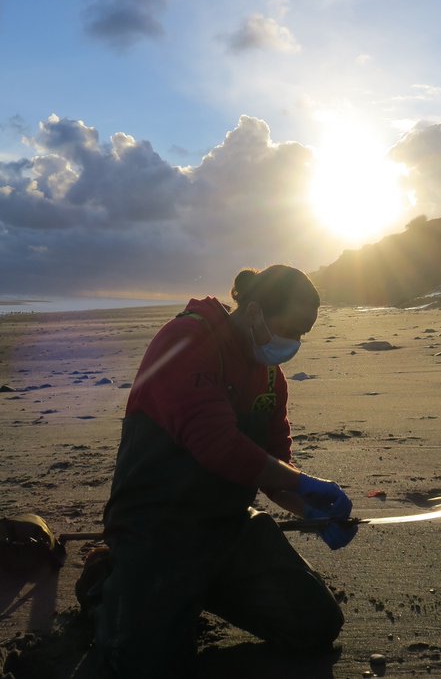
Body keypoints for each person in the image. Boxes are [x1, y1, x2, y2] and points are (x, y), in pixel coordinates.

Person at [95, 264, 356, 678]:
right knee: (148, 667)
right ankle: (112, 583)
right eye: (291, 328)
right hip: (154, 529)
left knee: (316, 625)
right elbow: (219, 446)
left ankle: (199, 590)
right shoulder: (186, 341)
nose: (294, 343)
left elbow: (273, 464)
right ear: (254, 312)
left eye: (303, 333)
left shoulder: (271, 378)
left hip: (227, 527)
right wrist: (306, 483)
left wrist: (309, 509)